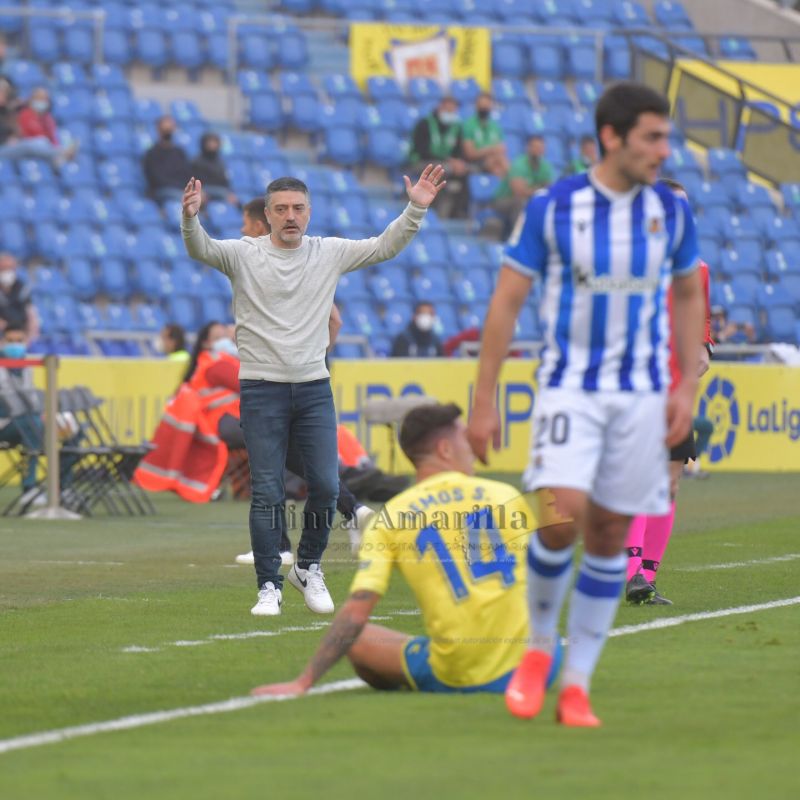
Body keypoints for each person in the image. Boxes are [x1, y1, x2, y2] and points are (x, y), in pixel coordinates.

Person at [467, 81, 705, 726]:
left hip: (641, 397)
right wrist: (482, 398)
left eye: (666, 136)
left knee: (606, 532)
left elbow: (688, 294)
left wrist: (685, 386)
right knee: (559, 515)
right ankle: (539, 651)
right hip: (570, 386)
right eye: (652, 137)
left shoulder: (671, 212)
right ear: (613, 137)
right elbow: (507, 301)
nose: (664, 150)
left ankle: (576, 684)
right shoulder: (553, 207)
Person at [181, 166, 445, 616]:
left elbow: (385, 245)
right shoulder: (244, 253)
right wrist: (190, 219)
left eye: (298, 208)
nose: (290, 216)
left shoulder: (328, 252)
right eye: (281, 209)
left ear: (309, 212)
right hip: (262, 389)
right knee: (266, 491)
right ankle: (269, 586)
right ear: (266, 214)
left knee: (324, 484)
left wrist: (416, 207)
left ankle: (307, 568)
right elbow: (200, 248)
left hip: (313, 388)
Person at [251, 402, 563, 699]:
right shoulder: (504, 494)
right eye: (465, 443)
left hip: (459, 669)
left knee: (360, 641)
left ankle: (437, 672)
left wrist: (304, 681)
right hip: (539, 662)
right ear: (444, 449)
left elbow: (357, 611)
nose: (472, 453)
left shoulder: (393, 517)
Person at [625, 177, 715, 606]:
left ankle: (646, 576)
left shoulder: (697, 268)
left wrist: (704, 346)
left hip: (678, 392)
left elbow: (703, 320)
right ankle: (631, 574)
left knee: (669, 483)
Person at [408, 98, 469, 219]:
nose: (450, 113)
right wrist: (449, 161)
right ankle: (432, 208)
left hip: (447, 165)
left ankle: (458, 212)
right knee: (445, 169)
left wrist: (458, 162)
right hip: (422, 162)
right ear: (440, 107)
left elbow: (458, 152)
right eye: (448, 109)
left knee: (465, 170)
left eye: (453, 111)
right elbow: (421, 151)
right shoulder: (424, 124)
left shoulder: (456, 127)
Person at [492, 135, 555, 237]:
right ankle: (519, 237)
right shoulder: (519, 164)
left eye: (540, 148)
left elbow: (549, 189)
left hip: (528, 199)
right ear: (528, 148)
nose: (538, 150)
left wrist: (534, 190)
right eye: (535, 147)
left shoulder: (545, 166)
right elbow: (519, 192)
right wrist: (539, 188)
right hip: (503, 200)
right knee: (521, 202)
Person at [142, 115, 191, 202]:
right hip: (161, 191)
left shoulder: (179, 152)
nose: (168, 131)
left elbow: (187, 174)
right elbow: (155, 179)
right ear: (158, 130)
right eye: (165, 129)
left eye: (170, 128)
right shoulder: (152, 153)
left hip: (179, 190)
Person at [461, 92, 509, 178]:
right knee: (497, 162)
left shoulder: (495, 126)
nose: (484, 108)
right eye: (481, 105)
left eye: (486, 105)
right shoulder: (468, 125)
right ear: (476, 106)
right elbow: (470, 154)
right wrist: (490, 150)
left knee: (500, 162)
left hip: (495, 160)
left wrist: (491, 151)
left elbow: (502, 149)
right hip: (476, 162)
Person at [0, 252, 38, 341]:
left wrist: (30, 336)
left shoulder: (22, 288)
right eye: (4, 269)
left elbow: (31, 314)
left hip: (20, 333)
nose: (7, 272)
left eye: (10, 268)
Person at [190, 132, 236, 204]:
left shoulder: (221, 163)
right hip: (204, 189)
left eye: (214, 142)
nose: (212, 145)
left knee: (234, 200)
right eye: (210, 142)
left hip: (220, 191)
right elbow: (192, 180)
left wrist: (230, 193)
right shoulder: (196, 161)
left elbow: (226, 181)